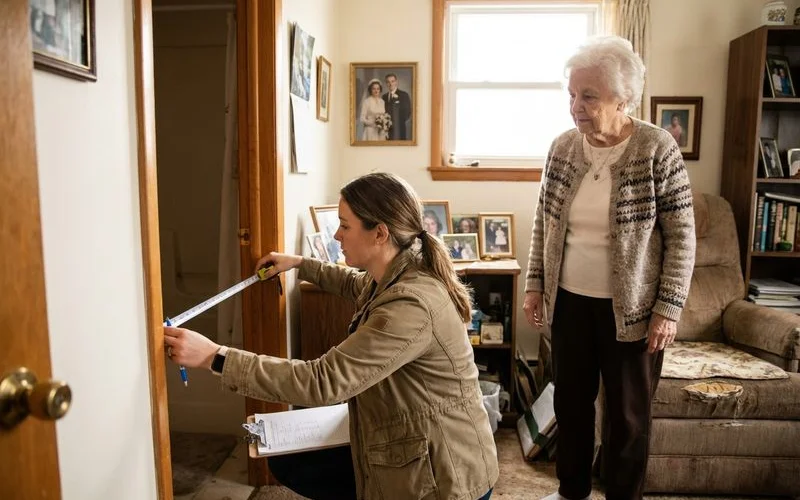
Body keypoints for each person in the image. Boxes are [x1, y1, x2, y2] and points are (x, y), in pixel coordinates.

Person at [164, 172, 498, 500]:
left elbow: (323, 381)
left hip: (445, 476)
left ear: (380, 233)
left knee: (297, 464)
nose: (337, 235)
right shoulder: (397, 271)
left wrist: (215, 357)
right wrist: (299, 263)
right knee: (287, 461)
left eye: (345, 226)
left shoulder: (411, 304)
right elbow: (352, 283)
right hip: (410, 434)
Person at [523, 36, 695, 500]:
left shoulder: (657, 148)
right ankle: (571, 491)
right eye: (572, 95)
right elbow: (544, 220)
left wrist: (668, 310)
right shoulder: (562, 148)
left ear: (623, 99)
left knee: (628, 417)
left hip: (633, 312)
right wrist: (535, 284)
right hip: (570, 303)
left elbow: (682, 237)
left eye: (589, 96)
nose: (575, 107)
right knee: (571, 405)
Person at [383, 73, 412, 140]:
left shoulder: (404, 95)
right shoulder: (384, 97)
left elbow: (407, 112)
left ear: (396, 82)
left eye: (392, 81)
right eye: (388, 82)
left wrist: (397, 121)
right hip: (387, 130)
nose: (390, 84)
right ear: (386, 84)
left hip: (399, 129)